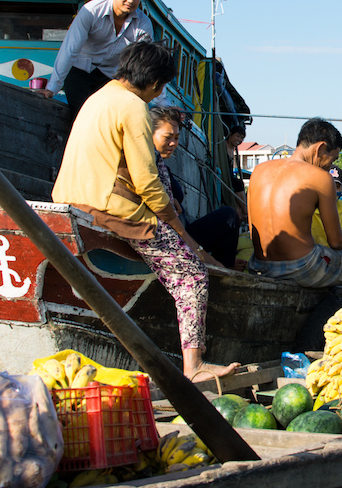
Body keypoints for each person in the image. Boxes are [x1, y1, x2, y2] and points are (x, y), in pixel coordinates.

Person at [51, 41, 239, 379]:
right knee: (192, 274)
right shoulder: (134, 106)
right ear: (154, 82)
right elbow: (147, 181)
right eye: (161, 86)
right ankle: (194, 366)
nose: (159, 93)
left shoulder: (98, 97)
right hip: (107, 205)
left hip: (69, 196)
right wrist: (174, 225)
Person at [247, 118, 342, 287]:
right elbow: (336, 241)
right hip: (302, 268)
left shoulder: (258, 170)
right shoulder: (321, 178)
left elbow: (252, 229)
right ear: (320, 148)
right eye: (332, 160)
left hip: (259, 265)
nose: (329, 166)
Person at [34, 0, 154, 116]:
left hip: (111, 80)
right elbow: (70, 49)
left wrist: (164, 104)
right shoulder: (91, 11)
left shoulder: (143, 24)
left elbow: (148, 63)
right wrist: (52, 88)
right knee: (82, 115)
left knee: (107, 118)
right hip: (79, 73)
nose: (131, 0)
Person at [150, 106, 246, 271]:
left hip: (183, 229)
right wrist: (201, 254)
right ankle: (222, 269)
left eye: (176, 138)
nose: (173, 143)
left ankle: (226, 265)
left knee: (228, 216)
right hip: (171, 236)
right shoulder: (147, 164)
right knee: (229, 216)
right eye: (167, 137)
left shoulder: (161, 165)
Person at [224, 125, 248, 222]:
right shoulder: (223, 146)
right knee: (238, 183)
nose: (239, 140)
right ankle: (246, 211)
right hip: (224, 176)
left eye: (242, 138)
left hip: (230, 177)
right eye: (237, 136)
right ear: (230, 134)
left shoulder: (232, 149)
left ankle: (241, 213)